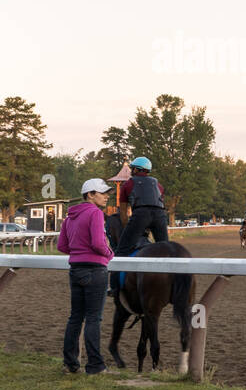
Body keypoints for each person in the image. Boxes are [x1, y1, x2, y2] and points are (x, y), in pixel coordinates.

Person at [57, 179, 115, 374]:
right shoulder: (96, 213)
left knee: (75, 318)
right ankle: (95, 366)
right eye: (102, 193)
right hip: (95, 270)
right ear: (90, 194)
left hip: (75, 269)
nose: (107, 196)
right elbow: (99, 243)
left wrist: (79, 252)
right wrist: (110, 254)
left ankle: (70, 364)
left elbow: (62, 246)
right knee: (93, 319)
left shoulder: (69, 217)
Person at [108, 156, 169, 297]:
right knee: (166, 251)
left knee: (121, 252)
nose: (131, 172)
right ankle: (173, 283)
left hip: (140, 215)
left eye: (132, 169)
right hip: (160, 216)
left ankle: (115, 287)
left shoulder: (127, 185)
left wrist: (127, 230)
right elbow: (158, 205)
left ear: (136, 169)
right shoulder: (159, 185)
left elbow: (123, 214)